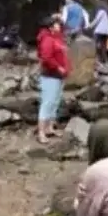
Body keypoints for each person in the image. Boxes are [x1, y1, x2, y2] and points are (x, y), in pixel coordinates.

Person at [37, 16, 70, 144]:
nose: (59, 26)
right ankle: (41, 132)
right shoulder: (47, 39)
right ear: (51, 27)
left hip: (58, 75)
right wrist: (58, 67)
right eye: (57, 24)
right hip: (50, 75)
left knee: (54, 102)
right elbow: (46, 57)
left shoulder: (56, 38)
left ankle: (49, 127)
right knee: (47, 102)